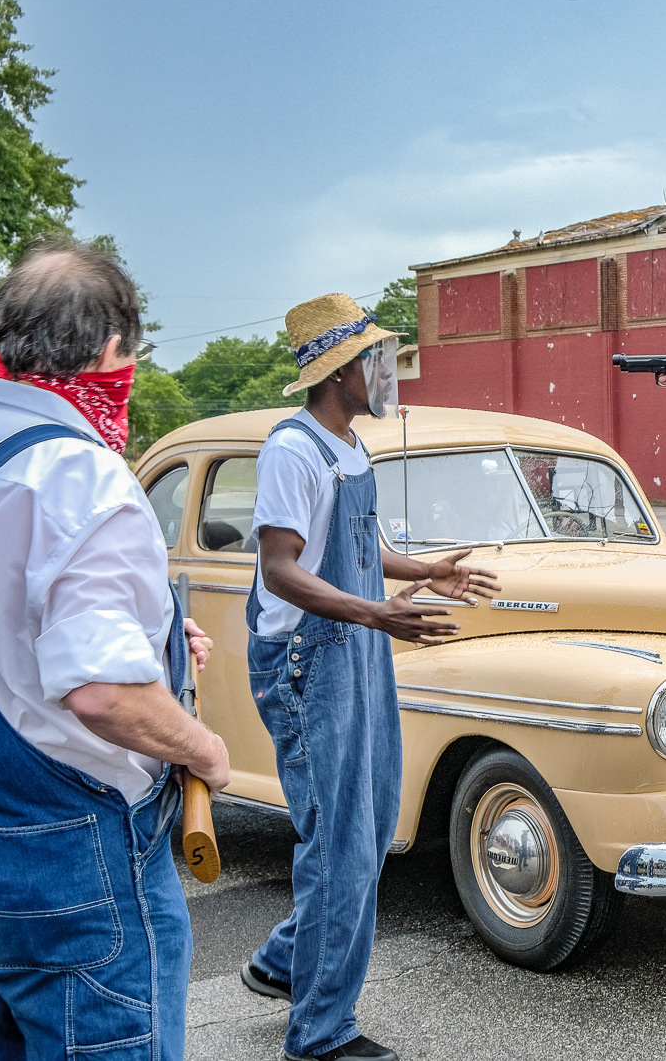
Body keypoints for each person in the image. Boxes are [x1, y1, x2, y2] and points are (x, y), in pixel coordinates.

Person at [0, 242, 230, 1059]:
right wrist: (203, 748)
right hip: (74, 858)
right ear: (112, 351)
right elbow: (103, 693)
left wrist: (158, 646)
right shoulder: (82, 478)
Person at [239, 293, 500, 1061]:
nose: (388, 373)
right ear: (338, 371)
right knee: (340, 842)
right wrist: (377, 613)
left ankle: (283, 960)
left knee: (373, 823)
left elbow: (358, 544)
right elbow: (281, 569)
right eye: (376, 360)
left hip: (356, 646)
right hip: (306, 660)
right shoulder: (294, 450)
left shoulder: (351, 446)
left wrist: (426, 571)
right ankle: (321, 1033)